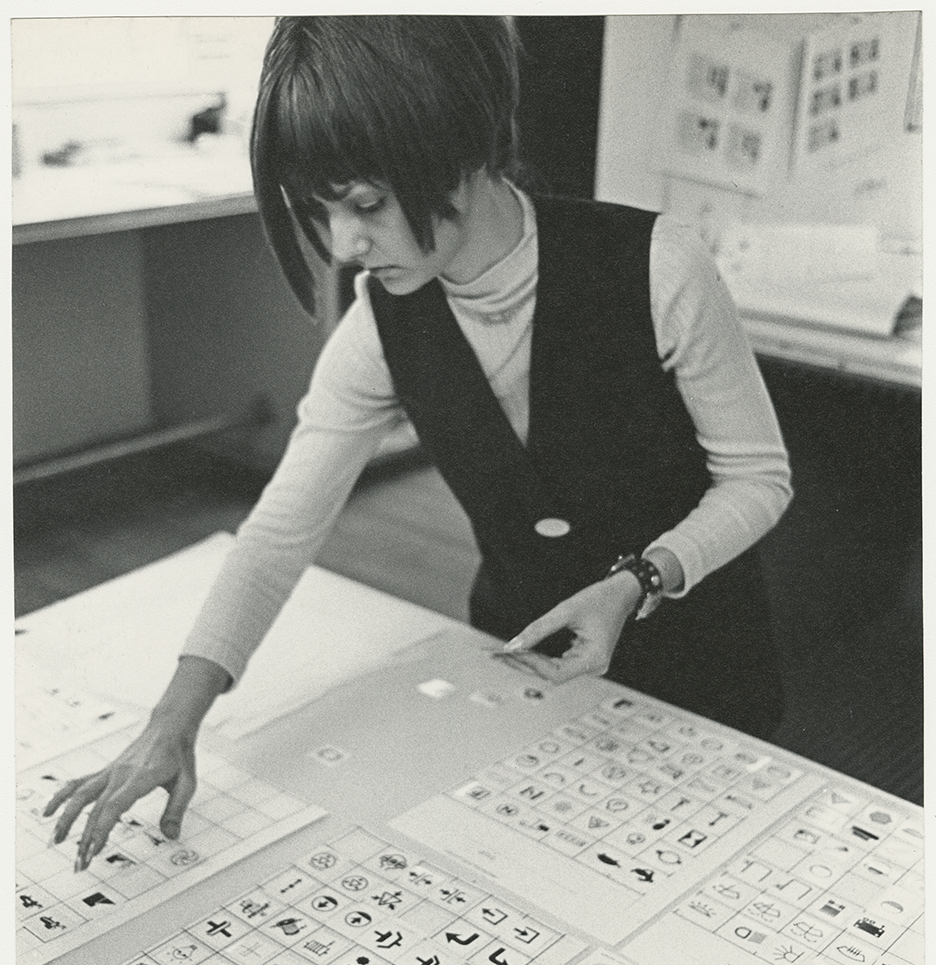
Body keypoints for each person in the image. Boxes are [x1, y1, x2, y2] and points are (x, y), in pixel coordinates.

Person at [45, 15, 792, 872]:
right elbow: (278, 532)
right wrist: (170, 722)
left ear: (463, 148)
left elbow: (758, 479)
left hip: (706, 662)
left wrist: (639, 579)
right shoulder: (380, 326)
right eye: (319, 212)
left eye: (365, 204)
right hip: (522, 658)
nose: (343, 245)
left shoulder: (659, 266)